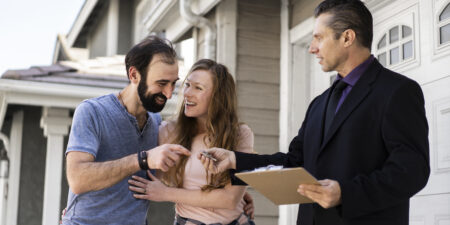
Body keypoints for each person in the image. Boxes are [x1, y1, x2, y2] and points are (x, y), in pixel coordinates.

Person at [199, 1, 430, 225]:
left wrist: (346, 194)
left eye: (319, 37)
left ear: (347, 37)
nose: (312, 48)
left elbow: (411, 170)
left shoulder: (397, 91)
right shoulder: (319, 104)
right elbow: (294, 162)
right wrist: (235, 160)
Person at [62, 36, 192, 225]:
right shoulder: (92, 111)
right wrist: (142, 159)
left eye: (173, 83)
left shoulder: (156, 121)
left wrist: (236, 196)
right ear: (134, 75)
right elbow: (77, 179)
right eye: (162, 83)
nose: (169, 93)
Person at [128, 59, 256, 225]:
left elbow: (230, 199)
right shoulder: (168, 131)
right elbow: (144, 175)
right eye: (187, 85)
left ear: (218, 97)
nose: (187, 93)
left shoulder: (240, 134)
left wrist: (166, 193)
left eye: (198, 88)